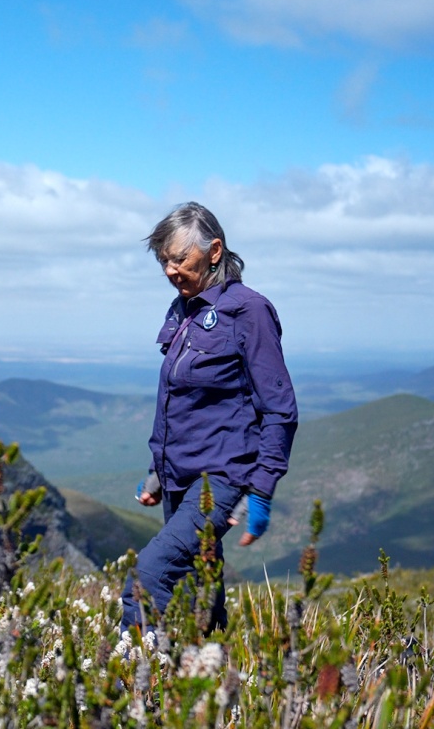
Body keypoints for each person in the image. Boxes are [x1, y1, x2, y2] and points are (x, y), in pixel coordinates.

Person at [120, 201, 297, 635]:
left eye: (179, 258)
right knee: (200, 594)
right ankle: (215, 679)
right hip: (179, 477)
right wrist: (156, 471)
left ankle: (127, 686)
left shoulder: (248, 311)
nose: (169, 269)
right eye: (164, 260)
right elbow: (180, 400)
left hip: (220, 478)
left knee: (149, 578)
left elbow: (279, 408)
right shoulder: (184, 309)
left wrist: (261, 490)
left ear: (214, 251)